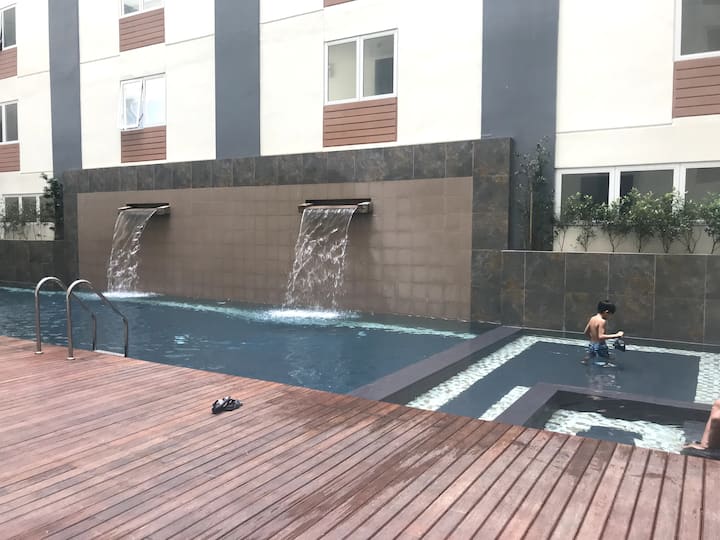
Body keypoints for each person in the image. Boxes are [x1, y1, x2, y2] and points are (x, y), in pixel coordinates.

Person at [581, 300, 624, 368]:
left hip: (592, 344)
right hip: (600, 346)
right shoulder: (602, 321)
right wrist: (617, 335)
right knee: (610, 358)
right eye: (610, 315)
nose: (609, 317)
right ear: (606, 312)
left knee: (590, 355)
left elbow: (585, 332)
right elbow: (600, 336)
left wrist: (594, 339)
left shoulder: (592, 318)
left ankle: (584, 362)